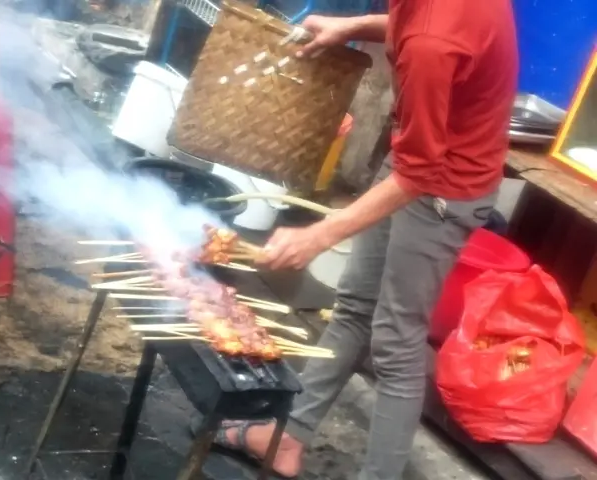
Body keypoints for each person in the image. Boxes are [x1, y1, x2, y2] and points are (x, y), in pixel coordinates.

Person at [197, 1, 518, 478]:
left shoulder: (434, 42)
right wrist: (355, 25)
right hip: (416, 157)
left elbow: (421, 169)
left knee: (395, 343)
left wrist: (321, 233)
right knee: (353, 307)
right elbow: (419, 24)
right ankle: (288, 436)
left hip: (443, 188)